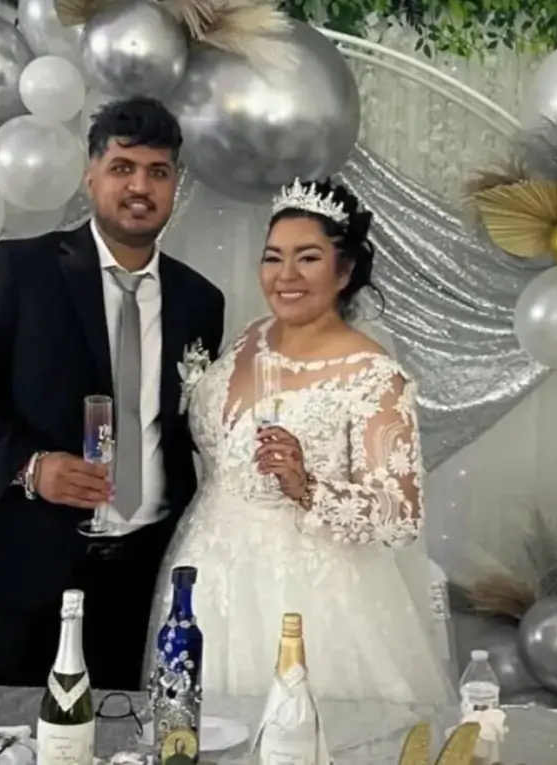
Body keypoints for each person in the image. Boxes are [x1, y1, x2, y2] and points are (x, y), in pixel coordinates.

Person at [0, 97, 225, 690]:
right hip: (31, 560)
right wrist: (30, 466)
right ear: (91, 176)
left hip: (148, 568)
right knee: (31, 727)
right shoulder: (22, 269)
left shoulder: (200, 300)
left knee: (129, 724)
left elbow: (189, 425)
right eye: (122, 168)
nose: (140, 186)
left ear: (175, 183)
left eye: (158, 171)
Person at [145, 178, 452, 701]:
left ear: (344, 271)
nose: (285, 275)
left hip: (305, 595)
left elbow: (400, 516)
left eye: (308, 258)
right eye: (273, 258)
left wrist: (306, 487)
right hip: (206, 569)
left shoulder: (373, 375)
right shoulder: (250, 337)